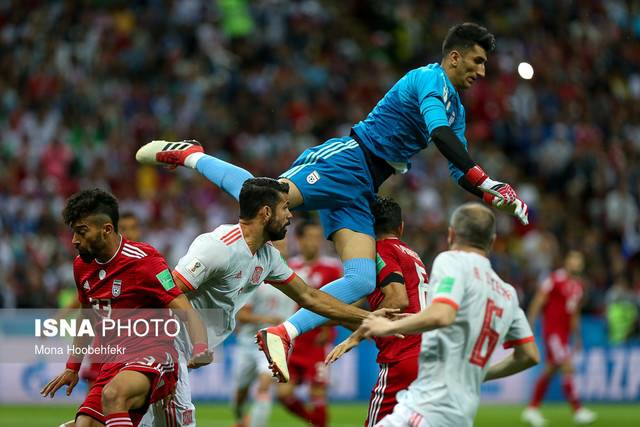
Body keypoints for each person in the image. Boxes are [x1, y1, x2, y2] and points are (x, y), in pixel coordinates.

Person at [136, 23, 529, 381]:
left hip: (365, 187)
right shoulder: (430, 80)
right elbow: (439, 135)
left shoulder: (456, 108)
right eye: (477, 61)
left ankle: (283, 333)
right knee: (265, 197)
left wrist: (493, 192)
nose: (481, 71)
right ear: (455, 56)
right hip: (349, 159)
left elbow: (458, 167)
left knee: (362, 278)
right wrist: (486, 178)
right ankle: (190, 154)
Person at [140, 177, 382, 425]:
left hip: (182, 348)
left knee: (145, 419)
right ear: (266, 212)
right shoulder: (218, 247)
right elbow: (166, 290)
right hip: (164, 343)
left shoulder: (267, 257)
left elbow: (310, 297)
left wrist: (369, 319)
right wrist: (195, 341)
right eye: (285, 208)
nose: (290, 215)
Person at [41, 188, 212, 427]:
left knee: (114, 395)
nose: (74, 241)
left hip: (154, 355)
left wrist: (201, 346)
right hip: (113, 362)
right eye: (73, 232)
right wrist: (72, 367)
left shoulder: (144, 260)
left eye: (81, 232)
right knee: (83, 424)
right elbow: (87, 316)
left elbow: (183, 307)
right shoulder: (81, 266)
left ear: (107, 229)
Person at [358, 203, 539, 427]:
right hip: (460, 414)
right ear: (491, 242)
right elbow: (530, 355)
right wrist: (481, 374)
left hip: (426, 407)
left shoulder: (451, 261)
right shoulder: (508, 293)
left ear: (451, 233)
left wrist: (389, 327)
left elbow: (442, 315)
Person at [325, 197, 425, 427]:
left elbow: (398, 298)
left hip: (402, 357)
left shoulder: (381, 250)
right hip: (426, 356)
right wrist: (335, 314)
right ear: (401, 227)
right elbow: (361, 312)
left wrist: (355, 336)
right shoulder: (411, 255)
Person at [278, 220, 342, 427]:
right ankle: (314, 422)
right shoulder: (290, 267)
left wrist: (328, 325)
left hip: (318, 344)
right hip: (296, 342)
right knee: (282, 393)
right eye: (310, 237)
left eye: (318, 238)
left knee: (318, 394)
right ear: (300, 239)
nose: (315, 242)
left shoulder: (332, 268)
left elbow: (342, 302)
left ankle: (317, 423)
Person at [522, 251, 597, 426]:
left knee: (550, 370)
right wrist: (529, 324)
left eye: (579, 260)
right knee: (567, 366)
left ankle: (532, 409)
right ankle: (578, 411)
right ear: (567, 261)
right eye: (573, 259)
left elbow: (574, 314)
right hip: (553, 332)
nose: (576, 263)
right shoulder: (555, 279)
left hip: (564, 335)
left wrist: (577, 336)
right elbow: (539, 300)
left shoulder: (578, 287)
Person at [231, 268, 298, 427]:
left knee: (265, 385)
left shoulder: (294, 281)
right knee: (241, 392)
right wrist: (266, 319)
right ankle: (240, 419)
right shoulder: (256, 282)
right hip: (248, 342)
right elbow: (241, 316)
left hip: (273, 343)